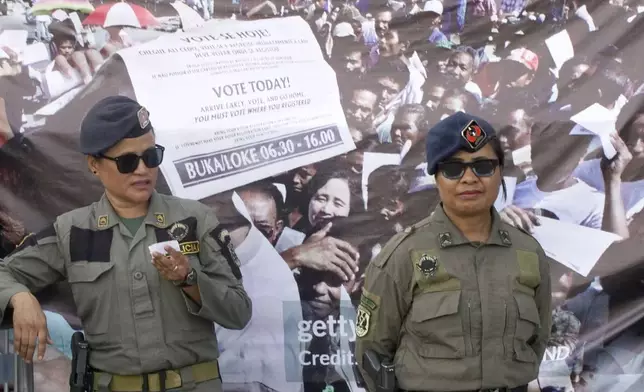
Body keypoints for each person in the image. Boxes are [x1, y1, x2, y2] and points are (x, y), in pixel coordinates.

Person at [0, 96, 252, 392]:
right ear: (94, 165)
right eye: (127, 162)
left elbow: (239, 312)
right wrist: (20, 298)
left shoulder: (194, 220)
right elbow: (5, 274)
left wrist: (190, 280)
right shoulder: (74, 230)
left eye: (151, 157)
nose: (143, 170)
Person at [355, 112, 552, 392]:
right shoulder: (402, 254)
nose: (470, 178)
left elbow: (536, 343)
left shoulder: (528, 252)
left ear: (499, 173)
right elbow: (372, 355)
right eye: (453, 169)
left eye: (483, 166)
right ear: (437, 178)